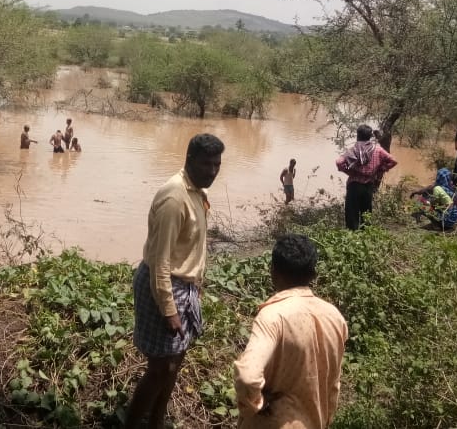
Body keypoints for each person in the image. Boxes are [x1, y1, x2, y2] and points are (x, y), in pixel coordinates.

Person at [126, 133, 224, 429]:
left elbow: (191, 248)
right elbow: (161, 261)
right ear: (189, 160)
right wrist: (169, 309)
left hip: (185, 286)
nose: (212, 171)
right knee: (160, 367)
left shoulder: (197, 192)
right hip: (163, 285)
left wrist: (197, 287)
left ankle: (156, 421)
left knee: (174, 363)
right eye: (206, 164)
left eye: (217, 164)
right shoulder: (174, 198)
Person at [233, 234, 347, 428]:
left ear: (273, 271)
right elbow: (333, 385)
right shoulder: (335, 317)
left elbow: (247, 377)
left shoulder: (272, 316)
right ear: (313, 274)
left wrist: (257, 403)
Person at [335, 125, 397, 230]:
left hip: (354, 185)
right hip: (369, 185)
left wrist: (349, 172)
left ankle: (352, 234)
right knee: (366, 211)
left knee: (352, 212)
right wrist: (380, 169)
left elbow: (339, 162)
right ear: (370, 136)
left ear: (358, 136)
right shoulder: (378, 150)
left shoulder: (353, 150)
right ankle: (365, 233)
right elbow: (393, 161)